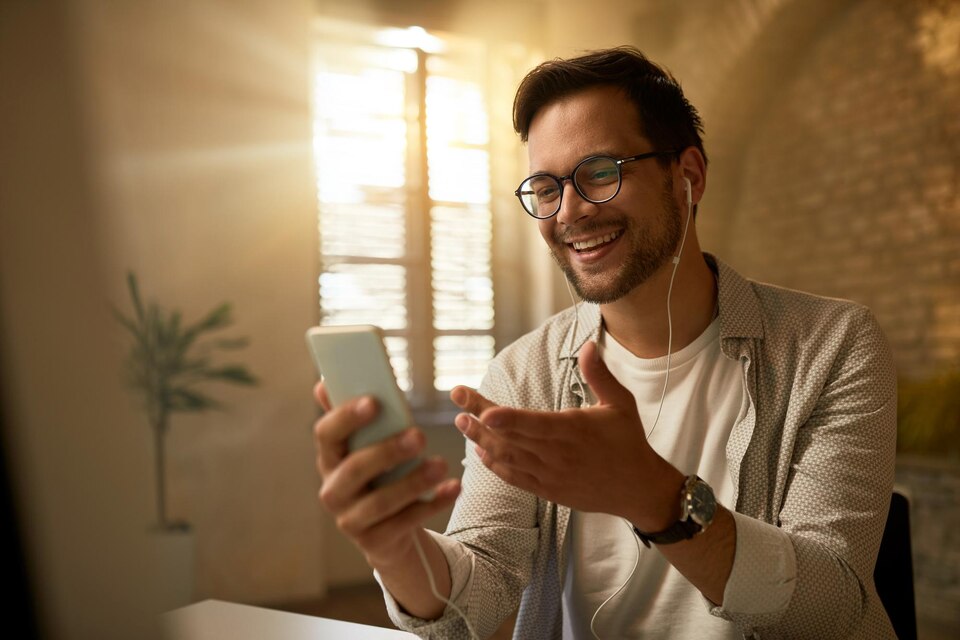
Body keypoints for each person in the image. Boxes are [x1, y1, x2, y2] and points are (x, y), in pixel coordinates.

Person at [312, 47, 897, 639]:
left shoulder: (834, 344)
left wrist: (654, 496)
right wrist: (394, 547)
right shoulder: (525, 375)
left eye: (600, 173)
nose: (568, 212)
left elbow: (833, 607)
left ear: (688, 177)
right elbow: (476, 599)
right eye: (545, 187)